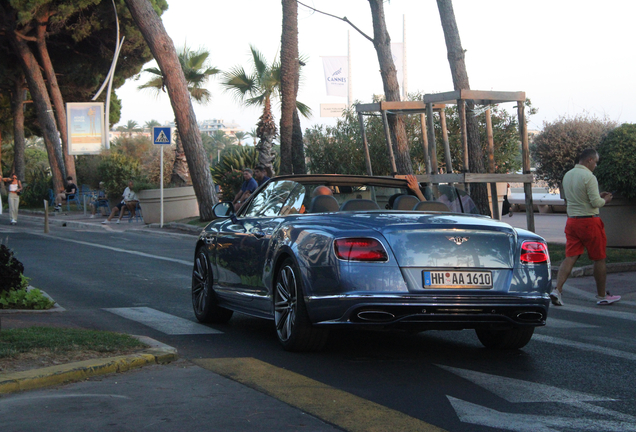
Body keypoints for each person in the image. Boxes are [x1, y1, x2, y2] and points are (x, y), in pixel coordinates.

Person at [550, 148, 620, 307]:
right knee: (599, 258)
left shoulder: (568, 175)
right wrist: (606, 200)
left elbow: (578, 197)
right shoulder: (589, 177)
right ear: (589, 160)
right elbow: (596, 203)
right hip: (589, 222)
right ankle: (602, 295)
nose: (596, 165)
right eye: (595, 162)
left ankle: (557, 290)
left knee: (571, 256)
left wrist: (597, 195)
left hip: (572, 221)